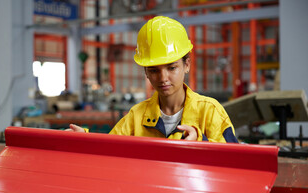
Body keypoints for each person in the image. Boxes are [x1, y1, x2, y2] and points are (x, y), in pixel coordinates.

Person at [67, 16, 238, 143]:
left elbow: (235, 162)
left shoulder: (210, 112)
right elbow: (110, 148)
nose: (163, 78)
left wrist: (201, 143)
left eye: (172, 68)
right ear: (146, 72)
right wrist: (86, 139)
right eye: (154, 70)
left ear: (187, 65)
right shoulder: (136, 116)